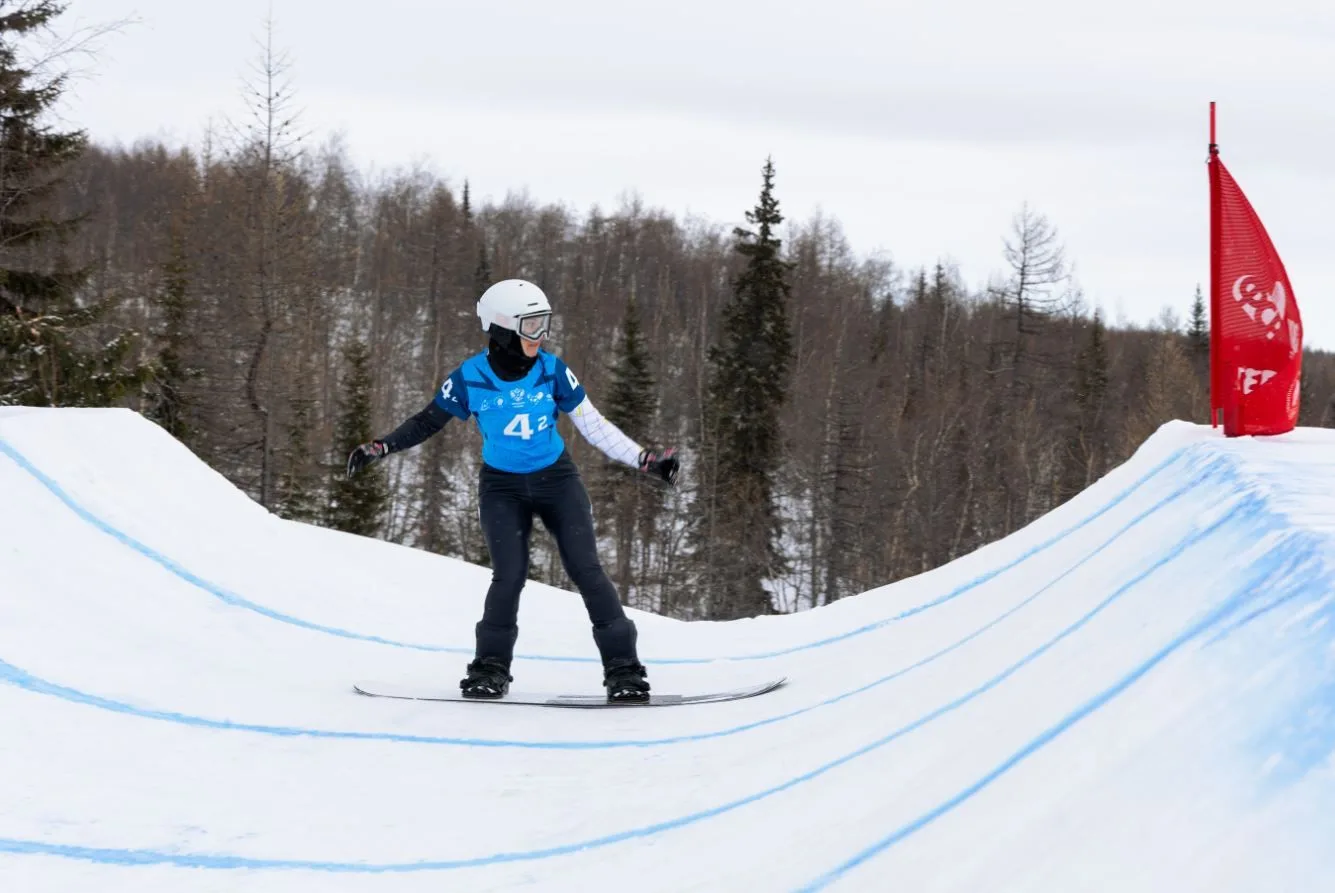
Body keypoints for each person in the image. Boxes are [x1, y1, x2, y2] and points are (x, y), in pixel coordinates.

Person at [345, 279, 679, 702]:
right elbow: (427, 421)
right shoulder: (470, 378)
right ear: (503, 330)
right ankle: (489, 669)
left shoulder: (553, 370)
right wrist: (382, 446)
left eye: (544, 325)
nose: (542, 336)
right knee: (509, 576)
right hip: (501, 488)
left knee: (586, 569)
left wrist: (645, 460)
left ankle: (624, 671)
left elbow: (593, 426)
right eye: (532, 326)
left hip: (556, 481)